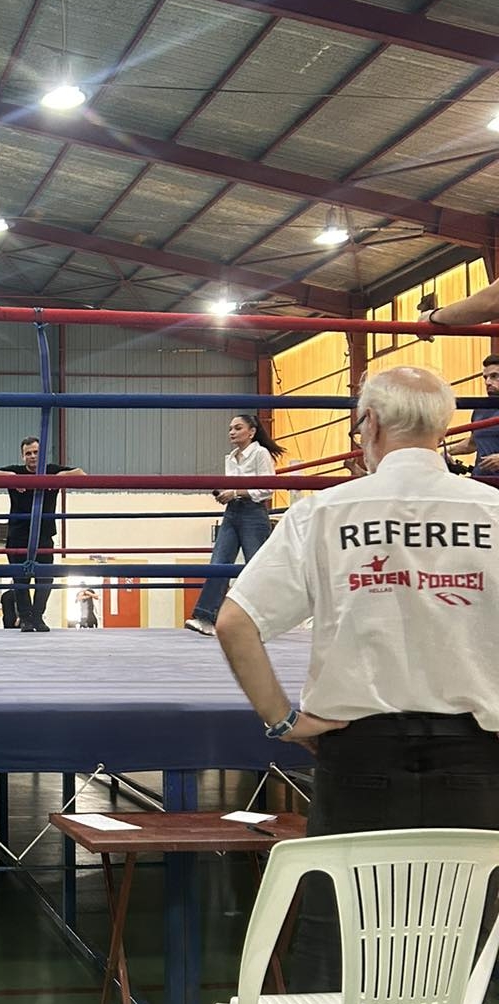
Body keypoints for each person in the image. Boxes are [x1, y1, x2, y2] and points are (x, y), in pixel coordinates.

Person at [215, 366, 499, 991]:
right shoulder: (493, 511)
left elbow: (234, 622)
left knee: (341, 936)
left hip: (358, 750)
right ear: (444, 426)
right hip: (477, 756)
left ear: (367, 424)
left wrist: (284, 721)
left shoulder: (325, 512)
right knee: (461, 946)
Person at [183, 414, 285, 637]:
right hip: (232, 512)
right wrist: (225, 494)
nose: (232, 432)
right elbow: (233, 487)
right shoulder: (230, 458)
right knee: (218, 563)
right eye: (230, 428)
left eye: (238, 428)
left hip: (253, 513)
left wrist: (236, 492)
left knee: (256, 566)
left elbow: (268, 488)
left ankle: (265, 620)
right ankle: (206, 617)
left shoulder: (260, 453)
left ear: (252, 432)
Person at [0, 437, 85, 632]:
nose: (32, 456)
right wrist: (12, 478)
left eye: (36, 452)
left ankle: (38, 617)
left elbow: (81, 473)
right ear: (22, 456)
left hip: (44, 535)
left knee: (45, 579)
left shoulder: (51, 470)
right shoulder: (17, 471)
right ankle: (26, 619)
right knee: (20, 579)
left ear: (43, 454)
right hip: (17, 535)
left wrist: (58, 478)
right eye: (28, 453)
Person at [442, 353, 499, 477]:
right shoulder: (481, 409)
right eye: (485, 377)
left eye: (495, 376)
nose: (488, 382)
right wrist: (447, 452)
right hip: (481, 479)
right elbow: (472, 443)